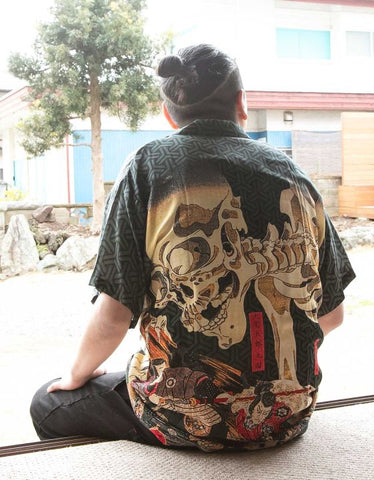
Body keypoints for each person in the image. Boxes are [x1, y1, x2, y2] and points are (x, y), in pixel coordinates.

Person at [30, 44, 355, 452]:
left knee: (46, 403)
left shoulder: (147, 167)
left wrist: (76, 375)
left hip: (178, 416)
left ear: (169, 114)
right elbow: (332, 315)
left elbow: (114, 315)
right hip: (288, 418)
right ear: (242, 103)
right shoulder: (294, 174)